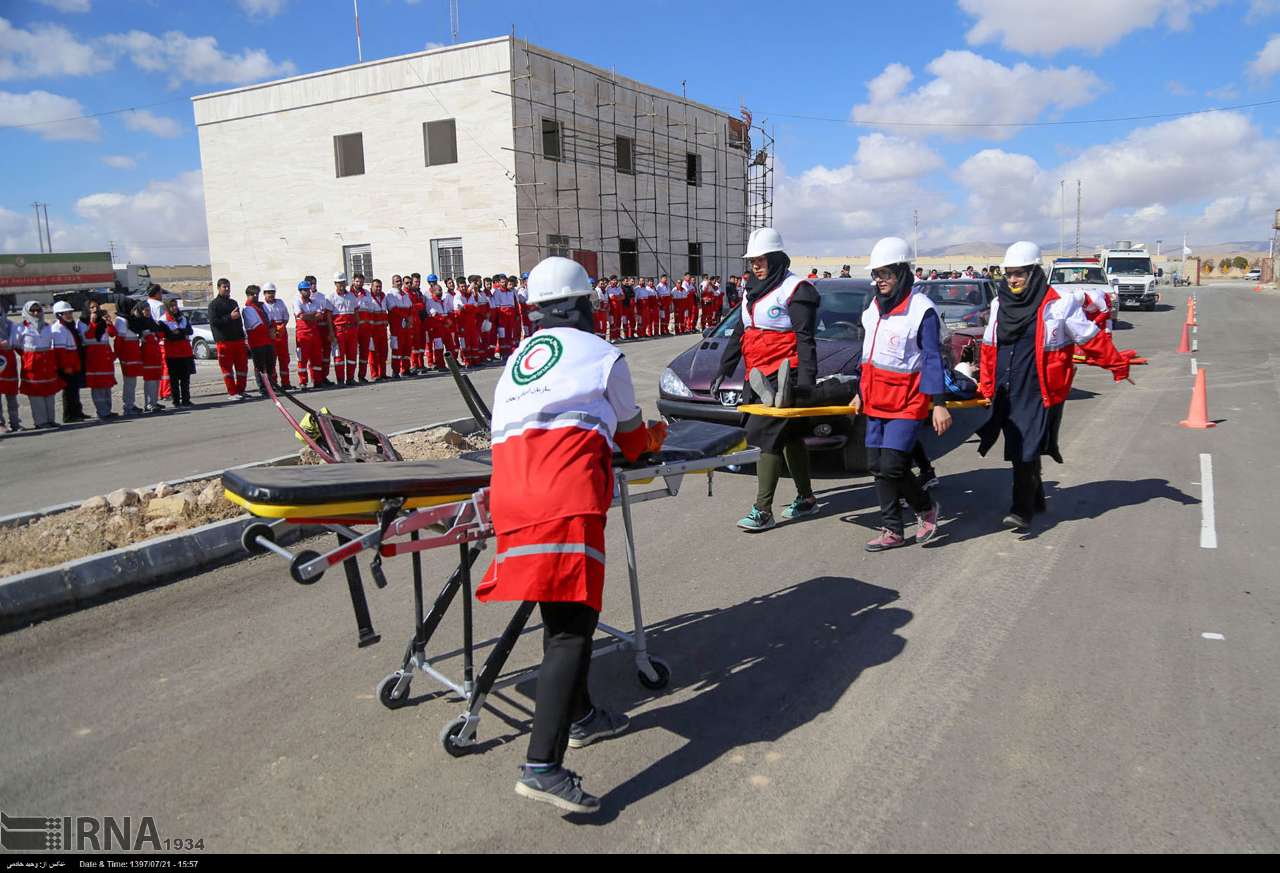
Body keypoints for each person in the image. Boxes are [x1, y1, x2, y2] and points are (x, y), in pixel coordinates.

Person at [478, 256, 666, 814]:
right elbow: (633, 439)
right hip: (563, 497)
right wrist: (652, 438)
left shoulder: (516, 362)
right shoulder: (603, 355)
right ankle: (542, 768)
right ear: (583, 305)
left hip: (512, 494)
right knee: (570, 632)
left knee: (560, 616)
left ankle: (581, 716)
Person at [976, 241, 1132, 531]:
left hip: (1038, 390)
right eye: (1008, 274)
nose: (1012, 279)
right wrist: (987, 387)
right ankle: (1035, 496)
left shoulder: (1059, 305)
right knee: (1018, 446)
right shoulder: (999, 304)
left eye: (1019, 273)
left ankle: (1021, 509)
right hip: (1007, 387)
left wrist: (1116, 363)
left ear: (1035, 273)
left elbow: (1089, 338)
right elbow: (988, 348)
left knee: (1025, 446)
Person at [713, 228, 841, 531]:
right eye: (753, 261)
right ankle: (807, 499)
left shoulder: (797, 289)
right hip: (756, 376)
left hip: (787, 376)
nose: (756, 266)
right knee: (790, 437)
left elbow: (805, 339)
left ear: (777, 259)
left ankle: (762, 509)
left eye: (762, 260)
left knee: (764, 436)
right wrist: (725, 368)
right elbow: (740, 333)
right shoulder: (750, 290)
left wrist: (807, 384)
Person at [849, 237, 947, 552]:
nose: (879, 281)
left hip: (908, 401)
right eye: (876, 274)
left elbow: (933, 359)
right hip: (874, 397)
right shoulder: (873, 308)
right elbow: (867, 356)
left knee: (892, 464)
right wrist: (859, 392)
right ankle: (892, 529)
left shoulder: (922, 310)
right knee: (876, 465)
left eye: (886, 274)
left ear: (902, 273)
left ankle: (925, 508)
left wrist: (939, 404)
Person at [16, 302, 62, 429]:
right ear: (27, 312)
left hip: (47, 363)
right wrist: (28, 356)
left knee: (49, 393)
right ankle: (41, 422)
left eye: (38, 310)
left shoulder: (47, 327)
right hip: (32, 365)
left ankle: (51, 419)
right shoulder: (21, 327)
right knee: (36, 394)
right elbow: (16, 345)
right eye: (32, 311)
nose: (36, 313)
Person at [208, 277, 249, 400]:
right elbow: (214, 322)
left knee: (242, 367)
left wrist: (243, 337)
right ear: (218, 288)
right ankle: (232, 392)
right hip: (224, 341)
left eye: (228, 286)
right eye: (224, 287)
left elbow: (239, 322)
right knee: (227, 368)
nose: (226, 289)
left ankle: (241, 390)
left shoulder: (233, 303)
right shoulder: (213, 305)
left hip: (238, 340)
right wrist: (230, 317)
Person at [80, 298, 118, 420]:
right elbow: (88, 335)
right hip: (94, 355)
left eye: (97, 306)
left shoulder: (102, 321)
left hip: (105, 355)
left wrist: (109, 322)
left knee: (107, 385)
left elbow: (113, 333)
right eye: (92, 307)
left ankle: (107, 409)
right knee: (98, 386)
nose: (95, 309)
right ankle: (101, 411)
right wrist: (92, 322)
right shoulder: (82, 322)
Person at [50, 300, 87, 423]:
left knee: (74, 389)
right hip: (67, 366)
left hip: (74, 363)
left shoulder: (70, 327)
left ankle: (77, 412)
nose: (69, 315)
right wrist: (66, 366)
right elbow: (60, 351)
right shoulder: (58, 329)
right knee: (69, 391)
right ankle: (69, 415)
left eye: (70, 312)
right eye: (66, 313)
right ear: (59, 315)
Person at [158, 297, 196, 407]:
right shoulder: (163, 320)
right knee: (174, 379)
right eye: (171, 306)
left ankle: (186, 400)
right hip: (172, 354)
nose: (174, 308)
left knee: (185, 378)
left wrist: (178, 332)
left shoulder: (183, 318)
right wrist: (180, 333)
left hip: (185, 352)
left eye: (175, 305)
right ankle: (176, 401)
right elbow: (169, 336)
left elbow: (190, 330)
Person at [242, 284, 278, 395]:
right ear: (248, 295)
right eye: (253, 294)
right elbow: (256, 326)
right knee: (260, 366)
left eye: (257, 294)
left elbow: (271, 318)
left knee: (270, 364)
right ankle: (263, 387)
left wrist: (272, 328)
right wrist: (269, 328)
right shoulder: (247, 308)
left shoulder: (262, 306)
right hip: (257, 342)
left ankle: (271, 385)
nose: (256, 296)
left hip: (268, 340)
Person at [112, 300, 145, 416]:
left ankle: (130, 404)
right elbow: (119, 340)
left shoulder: (129, 320)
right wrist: (117, 354)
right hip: (127, 355)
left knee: (132, 382)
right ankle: (128, 406)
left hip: (133, 353)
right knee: (129, 382)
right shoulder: (121, 321)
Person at [292, 279, 326, 389]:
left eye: (307, 290)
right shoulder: (297, 302)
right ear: (300, 291)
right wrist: (312, 315)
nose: (307, 292)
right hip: (302, 335)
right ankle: (303, 381)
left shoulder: (314, 302)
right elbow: (301, 316)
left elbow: (320, 315)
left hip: (314, 334)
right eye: (304, 290)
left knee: (316, 358)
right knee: (302, 359)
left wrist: (308, 315)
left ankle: (317, 380)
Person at [328, 272, 360, 385]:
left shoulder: (352, 296)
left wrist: (357, 326)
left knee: (352, 355)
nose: (341, 285)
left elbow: (356, 312)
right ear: (335, 284)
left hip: (351, 330)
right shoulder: (331, 297)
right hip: (339, 331)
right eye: (339, 283)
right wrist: (331, 332)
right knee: (339, 357)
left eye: (343, 282)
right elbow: (328, 316)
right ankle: (340, 379)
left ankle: (350, 378)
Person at [263, 283, 293, 389]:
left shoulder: (280, 303)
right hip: (270, 333)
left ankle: (286, 383)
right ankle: (274, 384)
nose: (270, 295)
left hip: (281, 333)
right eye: (268, 293)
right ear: (264, 294)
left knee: (284, 359)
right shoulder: (263, 306)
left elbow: (286, 316)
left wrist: (282, 327)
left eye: (272, 292)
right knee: (272, 360)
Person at [384, 276, 414, 378]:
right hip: (397, 326)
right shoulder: (390, 295)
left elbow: (410, 308)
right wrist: (406, 316)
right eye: (396, 281)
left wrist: (409, 318)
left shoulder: (405, 295)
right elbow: (393, 309)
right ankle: (395, 371)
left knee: (407, 348)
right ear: (392, 283)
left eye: (400, 281)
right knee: (397, 349)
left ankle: (406, 369)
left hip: (406, 326)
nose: (399, 283)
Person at [0, 312, 22, 432]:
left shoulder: (10, 324)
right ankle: (0, 423)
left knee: (12, 395)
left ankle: (15, 422)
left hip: (9, 361)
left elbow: (17, 342)